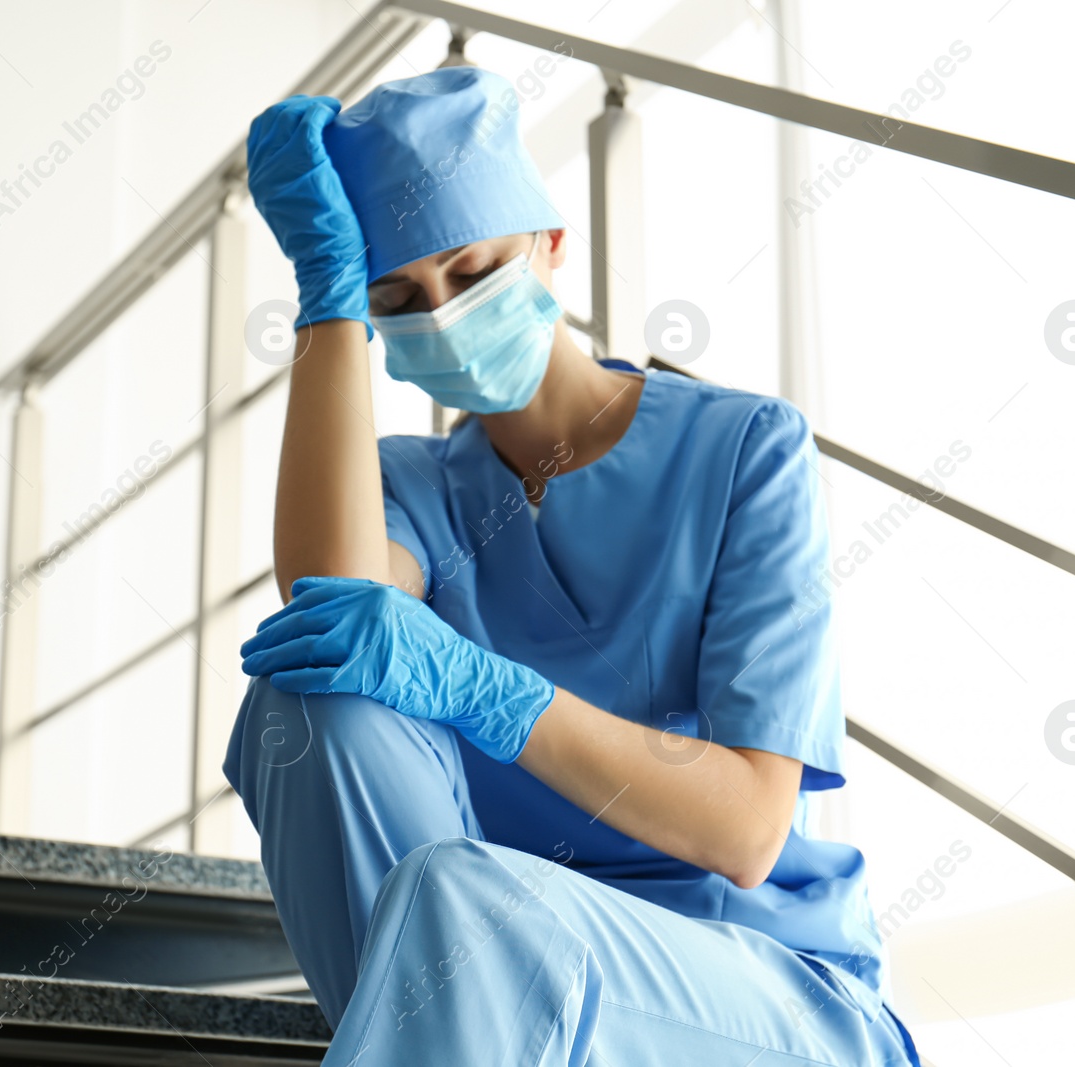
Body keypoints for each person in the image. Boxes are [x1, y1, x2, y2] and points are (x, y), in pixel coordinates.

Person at [222, 65, 921, 1067]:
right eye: (396, 295)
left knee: (472, 903)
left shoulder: (740, 451)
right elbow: (330, 608)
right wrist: (324, 294)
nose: (442, 310)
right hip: (488, 977)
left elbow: (746, 831)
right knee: (307, 698)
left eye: (470, 271)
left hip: (760, 994)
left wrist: (491, 692)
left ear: (550, 244)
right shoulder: (416, 488)